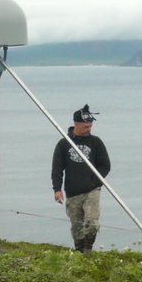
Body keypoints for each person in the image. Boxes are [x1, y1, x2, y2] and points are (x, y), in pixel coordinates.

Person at [51, 104, 111, 253]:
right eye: (85, 127)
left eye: (90, 126)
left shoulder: (96, 142)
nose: (89, 129)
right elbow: (57, 168)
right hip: (72, 192)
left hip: (92, 190)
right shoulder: (64, 144)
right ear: (76, 124)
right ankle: (79, 250)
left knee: (92, 223)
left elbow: (105, 165)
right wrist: (57, 189)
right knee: (76, 225)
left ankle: (88, 250)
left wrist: (94, 182)